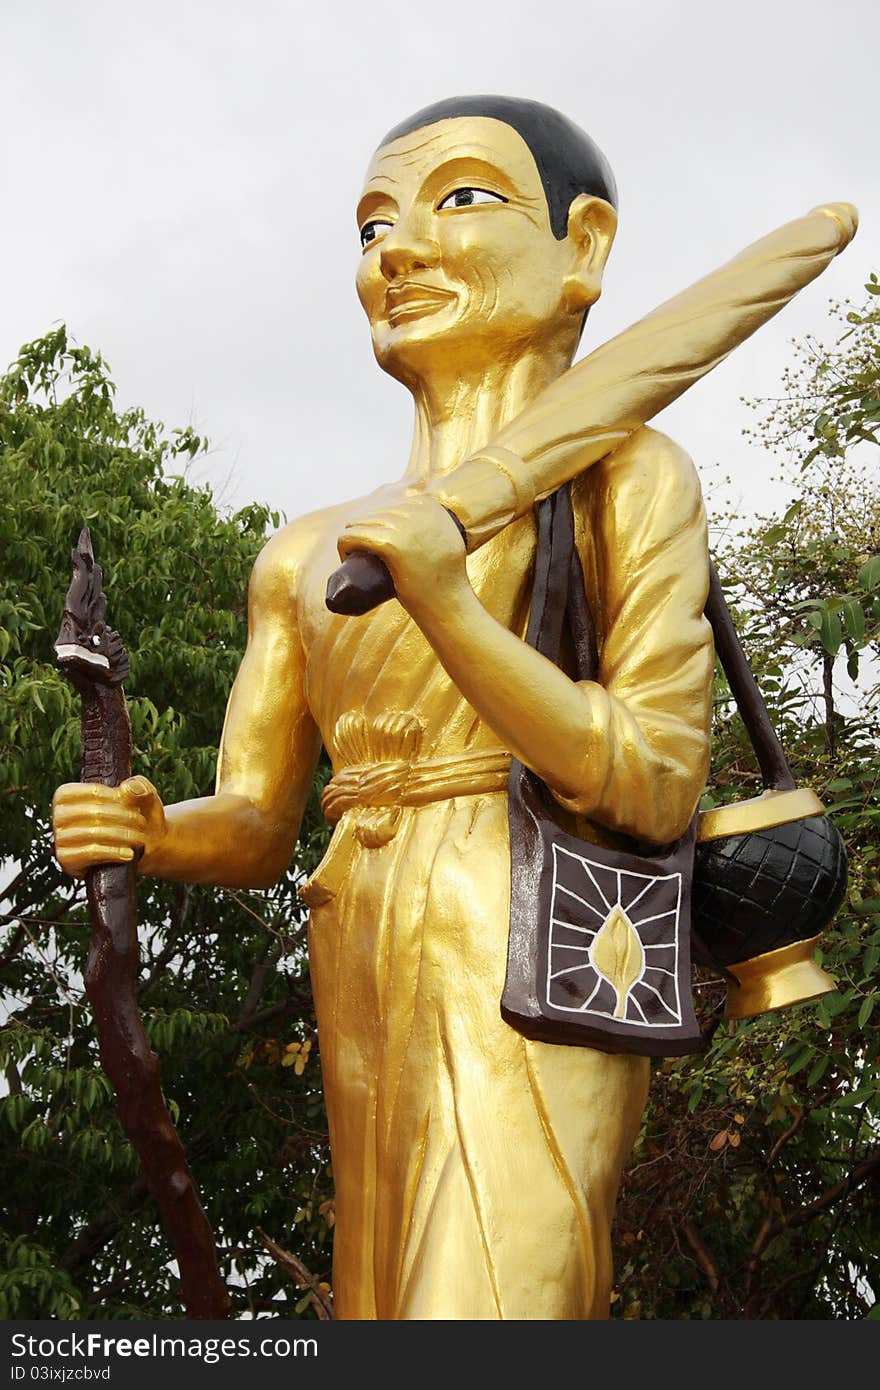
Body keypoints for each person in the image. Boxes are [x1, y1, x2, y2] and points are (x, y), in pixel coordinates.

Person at [53, 96, 713, 1319]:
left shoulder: (625, 477)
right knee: (378, 1296)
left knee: (499, 1288)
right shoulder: (305, 556)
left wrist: (449, 604)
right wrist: (151, 829)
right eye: (369, 227)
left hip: (537, 924)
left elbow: (656, 776)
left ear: (584, 248)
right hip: (357, 932)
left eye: (460, 199)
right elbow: (258, 823)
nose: (394, 252)